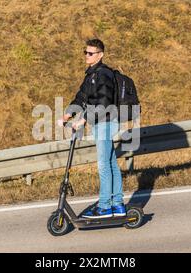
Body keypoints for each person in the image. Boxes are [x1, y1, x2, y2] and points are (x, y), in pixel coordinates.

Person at [57, 39, 125, 219]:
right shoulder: (92, 74)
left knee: (104, 165)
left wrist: (84, 119)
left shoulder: (103, 74)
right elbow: (81, 96)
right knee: (110, 163)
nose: (87, 56)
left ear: (100, 55)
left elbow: (103, 103)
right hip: (102, 122)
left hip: (106, 122)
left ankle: (105, 206)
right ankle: (117, 205)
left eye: (91, 53)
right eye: (85, 52)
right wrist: (68, 115)